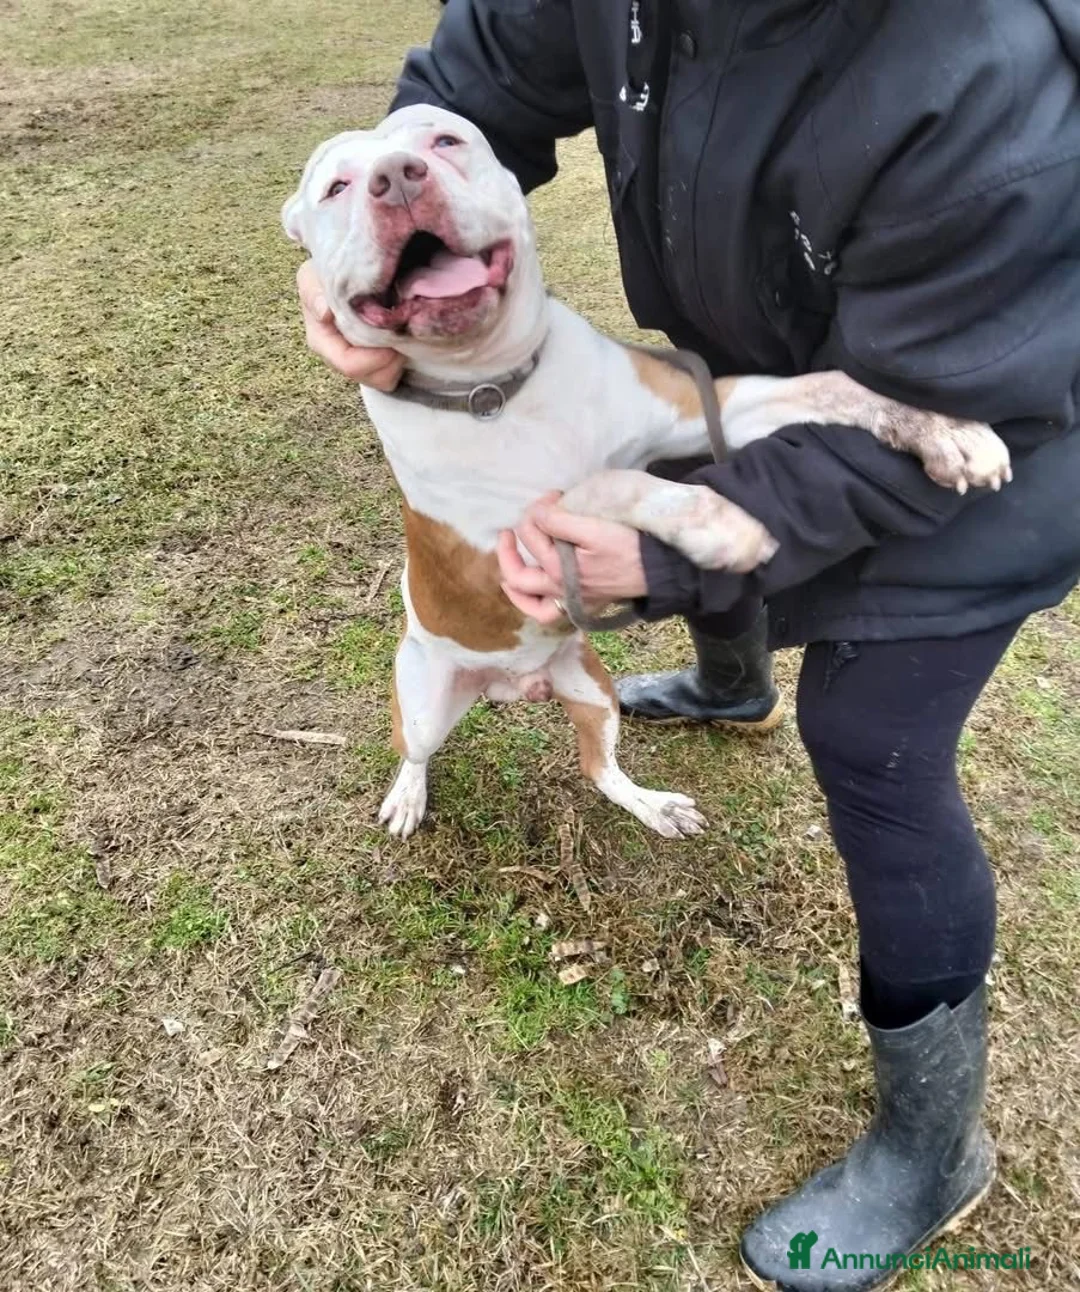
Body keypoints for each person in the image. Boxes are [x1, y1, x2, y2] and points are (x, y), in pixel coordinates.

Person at [295, 3, 1080, 1287]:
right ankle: (731, 688)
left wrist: (660, 553)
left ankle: (933, 1146)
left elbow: (929, 413)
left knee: (871, 737)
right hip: (760, 361)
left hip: (977, 428)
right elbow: (474, 82)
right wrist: (355, 236)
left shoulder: (982, 73)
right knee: (713, 494)